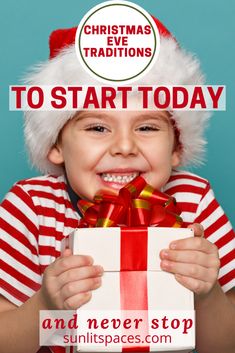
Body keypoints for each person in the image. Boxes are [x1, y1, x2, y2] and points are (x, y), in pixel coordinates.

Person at [0, 15, 234, 353]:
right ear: (55, 144)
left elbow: (226, 344)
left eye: (147, 127)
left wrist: (207, 293)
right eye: (97, 128)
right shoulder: (31, 208)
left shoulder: (193, 201)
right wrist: (47, 307)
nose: (124, 146)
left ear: (177, 147)